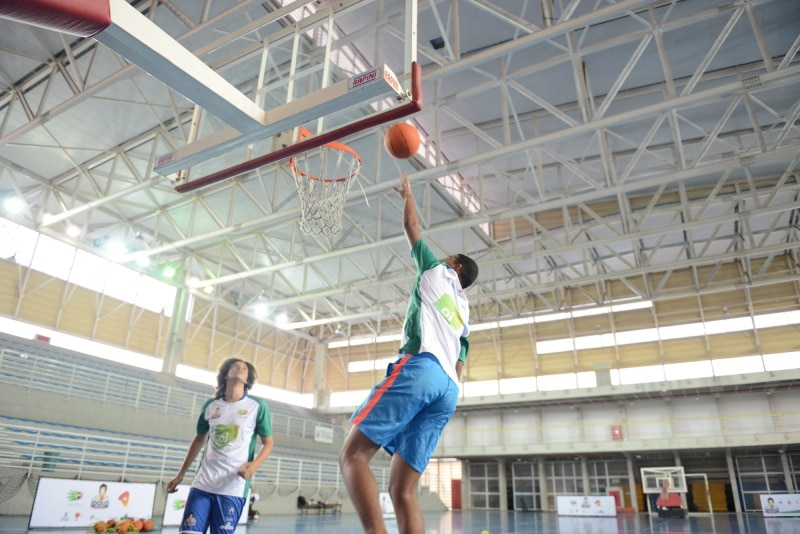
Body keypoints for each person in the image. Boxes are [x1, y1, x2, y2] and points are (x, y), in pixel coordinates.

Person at [339, 171, 478, 534]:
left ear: (456, 266)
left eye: (451, 256)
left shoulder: (435, 271)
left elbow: (410, 224)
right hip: (448, 390)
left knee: (353, 456)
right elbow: (461, 362)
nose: (444, 256)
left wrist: (408, 196)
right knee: (403, 490)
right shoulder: (464, 313)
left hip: (423, 369)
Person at [166, 358, 273, 533]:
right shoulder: (211, 405)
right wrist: (180, 474)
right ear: (225, 374)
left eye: (244, 368)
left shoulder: (257, 406)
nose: (239, 368)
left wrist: (253, 467)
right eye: (235, 366)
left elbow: (268, 443)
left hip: (232, 488)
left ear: (247, 380)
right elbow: (199, 439)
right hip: (203, 484)